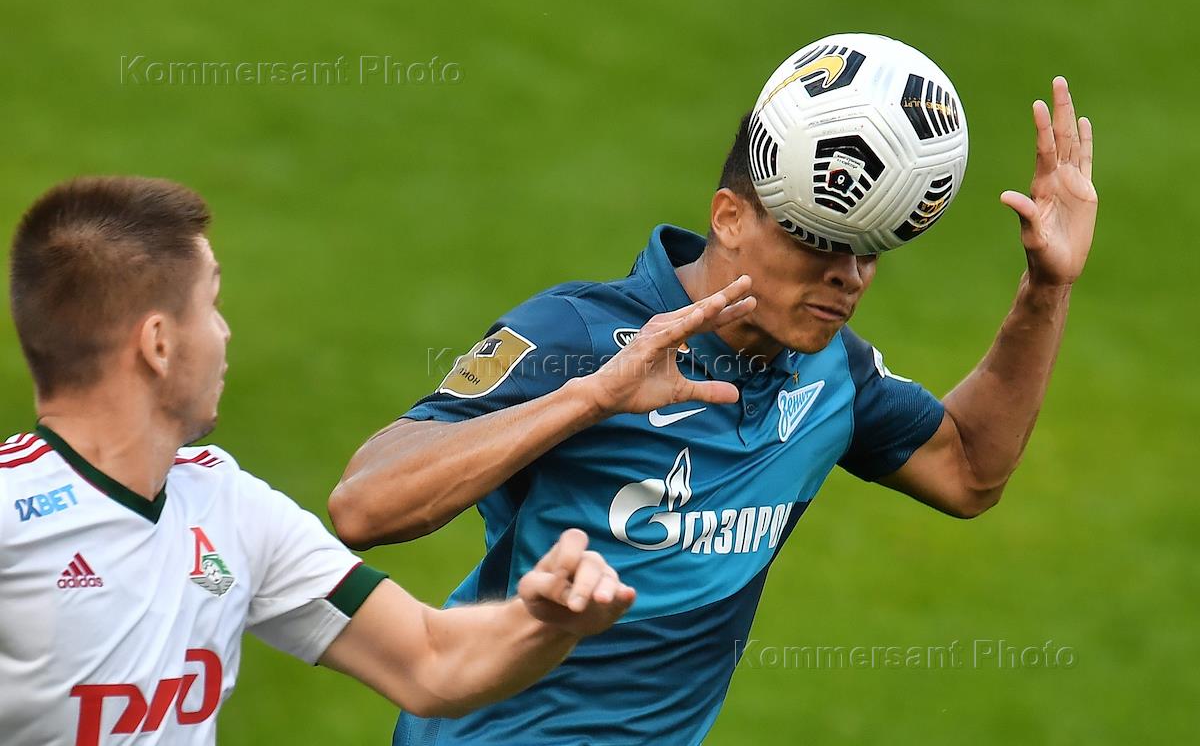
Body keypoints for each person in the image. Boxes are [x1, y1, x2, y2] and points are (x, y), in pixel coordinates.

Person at [330, 75, 1097, 745]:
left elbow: (968, 469)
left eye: (868, 249)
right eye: (818, 240)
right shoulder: (579, 334)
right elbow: (365, 505)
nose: (848, 276)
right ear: (729, 217)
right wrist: (590, 396)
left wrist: (1047, 287)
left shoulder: (833, 372)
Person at [0, 176, 636, 746]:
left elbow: (430, 661)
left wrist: (547, 620)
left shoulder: (227, 505)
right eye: (210, 304)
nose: (224, 332)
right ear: (159, 344)